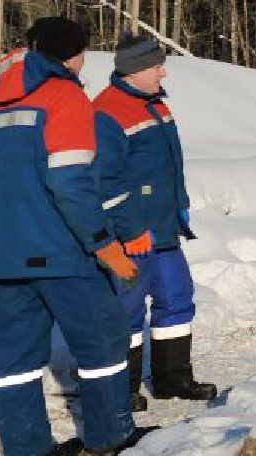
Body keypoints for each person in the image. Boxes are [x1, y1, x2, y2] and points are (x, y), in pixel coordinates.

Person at [0, 16, 148, 456]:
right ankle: (109, 436)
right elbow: (70, 182)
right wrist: (103, 243)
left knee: (16, 356)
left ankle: (27, 451)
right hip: (59, 249)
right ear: (75, 54)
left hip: (3, 254)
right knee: (104, 335)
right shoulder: (65, 96)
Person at [93, 32, 217, 409]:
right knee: (127, 312)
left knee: (176, 298)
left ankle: (173, 378)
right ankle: (123, 387)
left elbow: (169, 167)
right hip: (132, 235)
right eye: (156, 66)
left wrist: (179, 205)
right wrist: (130, 230)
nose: (163, 72)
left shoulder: (156, 105)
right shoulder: (107, 112)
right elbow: (106, 182)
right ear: (135, 69)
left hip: (163, 228)